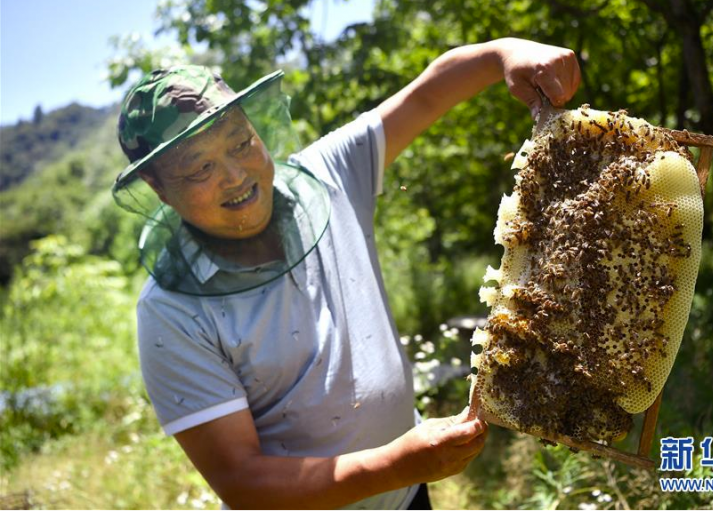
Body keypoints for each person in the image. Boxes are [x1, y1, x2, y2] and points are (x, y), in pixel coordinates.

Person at [114, 37, 580, 509]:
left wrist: (505, 52)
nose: (235, 175)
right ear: (157, 186)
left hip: (407, 497)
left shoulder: (328, 174)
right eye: (200, 168)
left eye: (240, 142)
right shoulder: (171, 314)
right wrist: (396, 464)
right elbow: (243, 481)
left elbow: (427, 94)